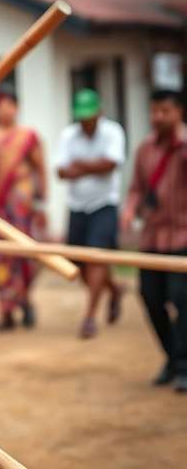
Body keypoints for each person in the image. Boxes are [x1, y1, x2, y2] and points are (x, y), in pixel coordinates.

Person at [121, 89, 187, 392]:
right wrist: (130, 209)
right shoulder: (145, 149)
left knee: (182, 299)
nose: (158, 117)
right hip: (152, 237)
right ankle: (172, 357)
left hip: (183, 236)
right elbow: (136, 187)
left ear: (179, 112)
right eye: (154, 111)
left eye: (165, 111)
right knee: (150, 296)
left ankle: (184, 364)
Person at [56, 89, 125, 339]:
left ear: (99, 113)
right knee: (79, 263)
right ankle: (113, 289)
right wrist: (96, 166)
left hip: (104, 204)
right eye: (82, 117)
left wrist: (80, 167)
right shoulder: (68, 135)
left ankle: (89, 317)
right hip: (77, 206)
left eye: (90, 117)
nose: (86, 122)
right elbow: (61, 172)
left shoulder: (113, 132)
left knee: (96, 258)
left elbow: (111, 164)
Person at [0, 88, 47, 331]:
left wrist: (41, 200)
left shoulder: (27, 136)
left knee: (24, 253)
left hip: (21, 204)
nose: (4, 110)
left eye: (8, 105)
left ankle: (25, 300)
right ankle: (6, 311)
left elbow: (39, 167)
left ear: (17, 107)